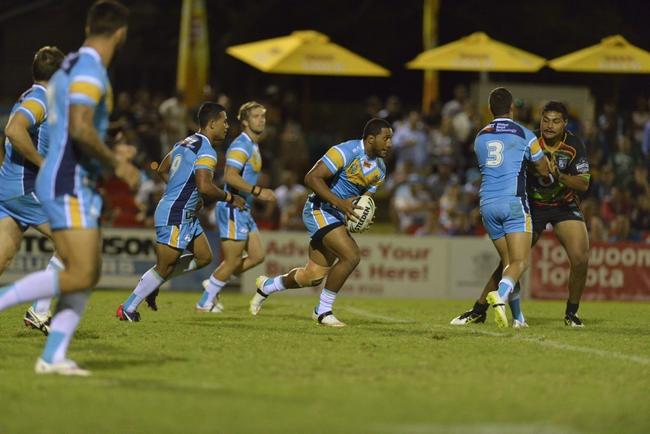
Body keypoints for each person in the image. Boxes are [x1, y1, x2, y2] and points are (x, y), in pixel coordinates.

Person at [0, 0, 140, 376]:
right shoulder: (88, 70)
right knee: (80, 268)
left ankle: (53, 356)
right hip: (63, 182)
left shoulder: (71, 66)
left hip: (59, 180)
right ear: (120, 33)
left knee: (82, 271)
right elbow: (77, 126)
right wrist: (117, 163)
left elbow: (68, 128)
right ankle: (41, 333)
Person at [451, 101, 590, 327]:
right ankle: (478, 309)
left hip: (563, 206)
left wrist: (561, 176)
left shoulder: (574, 145)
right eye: (546, 120)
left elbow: (584, 183)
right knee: (510, 262)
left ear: (565, 123)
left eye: (555, 121)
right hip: (531, 206)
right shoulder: (528, 138)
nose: (549, 126)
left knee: (581, 258)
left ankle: (571, 314)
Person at [249, 118, 392, 327]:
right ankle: (323, 311)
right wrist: (340, 203)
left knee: (312, 277)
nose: (389, 143)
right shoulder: (345, 151)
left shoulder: (380, 169)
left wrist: (360, 216)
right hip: (319, 209)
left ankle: (268, 286)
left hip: (337, 215)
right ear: (371, 139)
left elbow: (364, 202)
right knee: (351, 256)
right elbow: (312, 178)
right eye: (386, 138)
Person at [117, 102, 246, 320]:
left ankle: (155, 281)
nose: (227, 126)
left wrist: (184, 194)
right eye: (224, 121)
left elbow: (163, 169)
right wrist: (231, 197)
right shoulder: (207, 150)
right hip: (175, 213)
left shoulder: (185, 142)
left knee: (204, 257)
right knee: (164, 267)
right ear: (212, 123)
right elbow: (205, 186)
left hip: (184, 212)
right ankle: (128, 308)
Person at [459, 87, 552, 328]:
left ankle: (518, 318)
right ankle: (499, 296)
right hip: (513, 202)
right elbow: (542, 169)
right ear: (512, 108)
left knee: (509, 263)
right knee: (520, 262)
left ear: (490, 109)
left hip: (487, 204)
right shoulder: (524, 134)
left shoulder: (480, 136)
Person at [0, 46, 64, 335]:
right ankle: (39, 312)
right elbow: (14, 130)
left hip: (11, 186)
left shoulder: (34, 95)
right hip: (26, 186)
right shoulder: (40, 99)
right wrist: (42, 163)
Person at [195, 101, 276, 312]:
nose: (262, 120)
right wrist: (258, 191)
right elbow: (230, 176)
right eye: (256, 116)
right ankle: (205, 301)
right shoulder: (241, 145)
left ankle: (214, 282)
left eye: (263, 116)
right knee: (231, 262)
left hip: (243, 209)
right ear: (245, 121)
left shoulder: (253, 144)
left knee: (258, 255)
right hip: (232, 208)